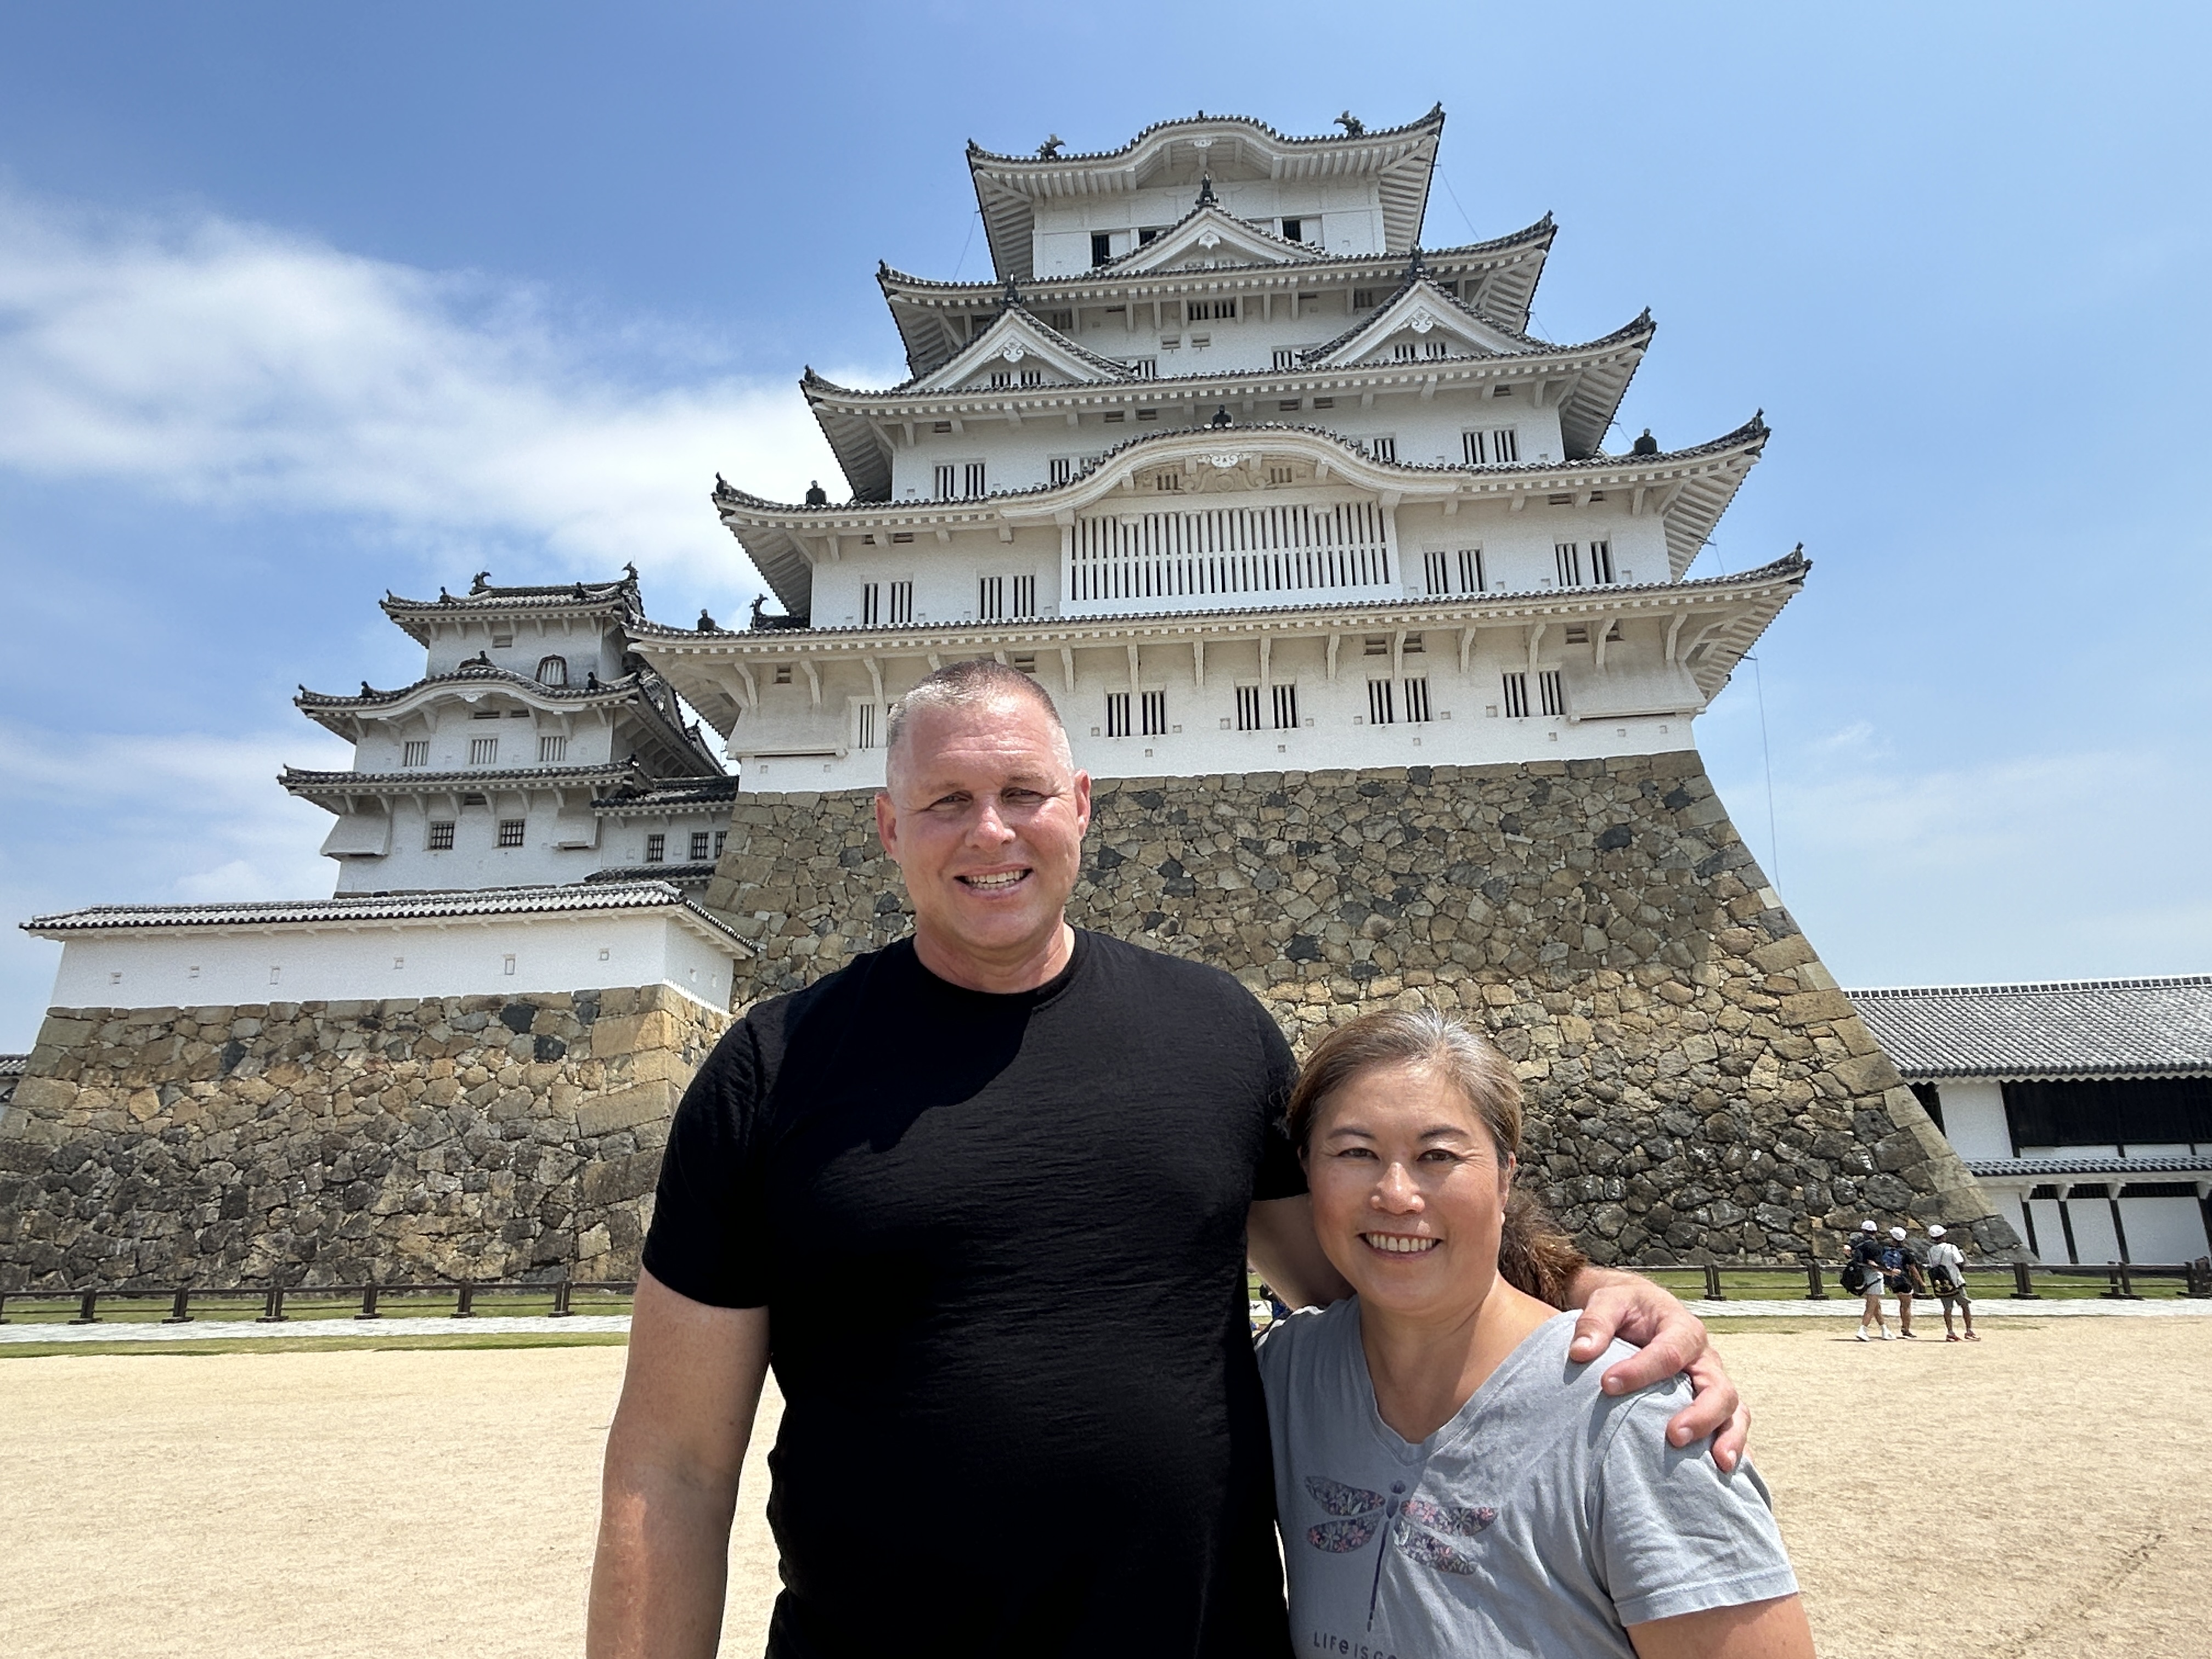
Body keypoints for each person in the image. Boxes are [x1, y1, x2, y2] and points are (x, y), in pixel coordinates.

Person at [586, 660, 1748, 1659]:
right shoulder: (774, 1070)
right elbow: (672, 1463)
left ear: (1081, 805)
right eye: (946, 801)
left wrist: (1578, 1287)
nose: (990, 831)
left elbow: (1373, 1262)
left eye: (1023, 792)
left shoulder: (1210, 1032)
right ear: (889, 826)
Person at [1257, 1008, 1812, 1658]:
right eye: (1356, 1153)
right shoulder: (1287, 1379)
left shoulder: (1630, 1412)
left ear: (1504, 1177)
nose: (1397, 1194)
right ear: (1305, 1172)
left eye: (1438, 1156)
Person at [1924, 1223, 1977, 1341]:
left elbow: (1932, 1265)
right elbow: (1959, 1261)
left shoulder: (1930, 1251)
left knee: (1947, 1308)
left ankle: (1950, 1332)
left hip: (1941, 1283)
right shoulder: (1951, 1247)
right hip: (1955, 1280)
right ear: (1943, 1236)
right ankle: (1969, 1330)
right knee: (1965, 1306)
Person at [1848, 1220, 1889, 1341]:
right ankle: (1863, 1330)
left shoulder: (1859, 1245)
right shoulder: (1875, 1246)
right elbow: (1876, 1265)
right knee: (1871, 1307)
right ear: (1875, 1232)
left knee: (1876, 1306)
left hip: (1863, 1276)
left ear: (1863, 1231)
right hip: (1874, 1277)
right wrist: (1890, 1272)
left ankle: (1885, 1330)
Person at [1881, 1225, 1925, 1339]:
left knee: (1901, 1303)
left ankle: (1893, 1327)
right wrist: (1921, 1282)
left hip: (1891, 1280)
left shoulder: (1885, 1249)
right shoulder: (1905, 1252)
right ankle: (1906, 1329)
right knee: (1906, 1306)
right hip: (1903, 1280)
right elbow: (1913, 1269)